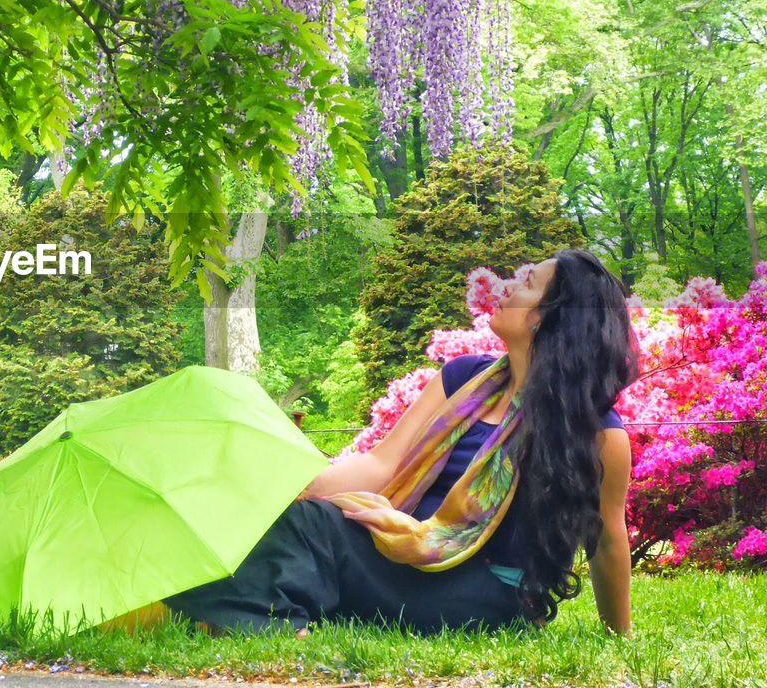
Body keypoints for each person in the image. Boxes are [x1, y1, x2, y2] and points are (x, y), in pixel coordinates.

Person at [161, 248, 638, 639]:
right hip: (398, 553)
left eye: (528, 283)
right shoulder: (463, 378)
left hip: (485, 592)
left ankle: (264, 618)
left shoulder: (597, 433)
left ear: (546, 319)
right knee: (260, 519)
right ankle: (270, 613)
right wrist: (291, 485)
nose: (509, 285)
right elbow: (381, 463)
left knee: (299, 534)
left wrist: (619, 636)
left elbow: (608, 541)